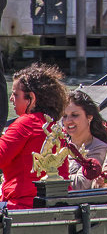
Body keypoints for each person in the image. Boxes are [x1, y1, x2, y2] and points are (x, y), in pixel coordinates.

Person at [0, 63, 69, 208]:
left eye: (15, 94)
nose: (11, 99)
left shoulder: (25, 123)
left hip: (19, 207)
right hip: (57, 205)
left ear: (31, 97)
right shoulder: (56, 127)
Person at [63, 90, 107, 190]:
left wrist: (50, 178)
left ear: (89, 117)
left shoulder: (100, 149)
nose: (68, 121)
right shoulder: (59, 145)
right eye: (64, 116)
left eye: (75, 115)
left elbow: (81, 184)